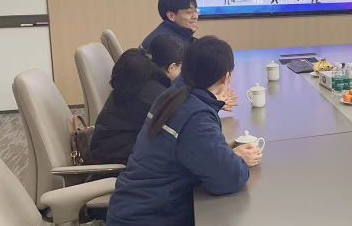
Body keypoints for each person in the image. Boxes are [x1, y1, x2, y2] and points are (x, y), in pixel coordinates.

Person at [107, 36, 262, 226]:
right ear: (226, 77)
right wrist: (239, 161)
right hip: (151, 217)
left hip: (131, 207)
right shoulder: (196, 116)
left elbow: (193, 151)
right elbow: (228, 179)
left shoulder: (171, 95)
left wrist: (226, 154)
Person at [87, 35, 185, 165]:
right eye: (180, 67)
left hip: (110, 148)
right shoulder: (154, 94)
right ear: (171, 67)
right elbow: (180, 126)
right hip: (117, 159)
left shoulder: (140, 78)